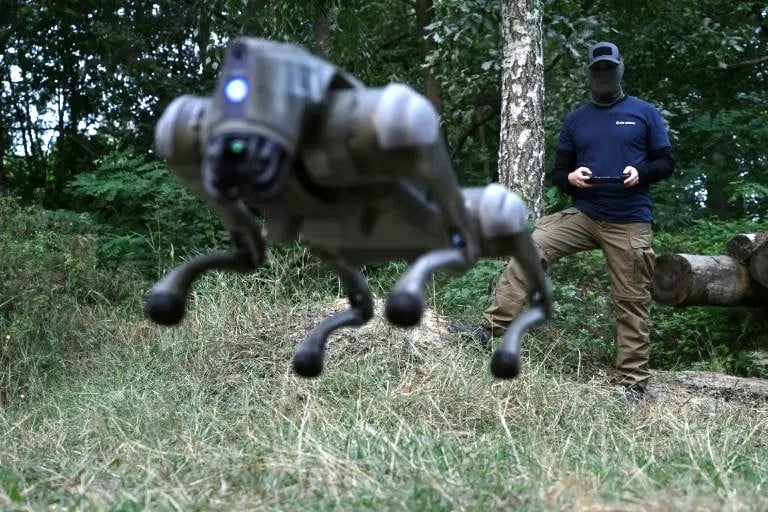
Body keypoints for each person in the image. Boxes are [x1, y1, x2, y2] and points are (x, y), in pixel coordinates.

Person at [482, 41, 675, 396]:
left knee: (630, 299)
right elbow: (558, 173)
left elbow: (666, 162)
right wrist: (571, 178)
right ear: (590, 74)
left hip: (629, 219)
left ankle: (632, 384)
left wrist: (641, 172)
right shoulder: (577, 119)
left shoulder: (643, 112)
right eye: (597, 70)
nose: (603, 75)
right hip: (585, 213)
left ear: (619, 69)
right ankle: (491, 329)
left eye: (609, 69)